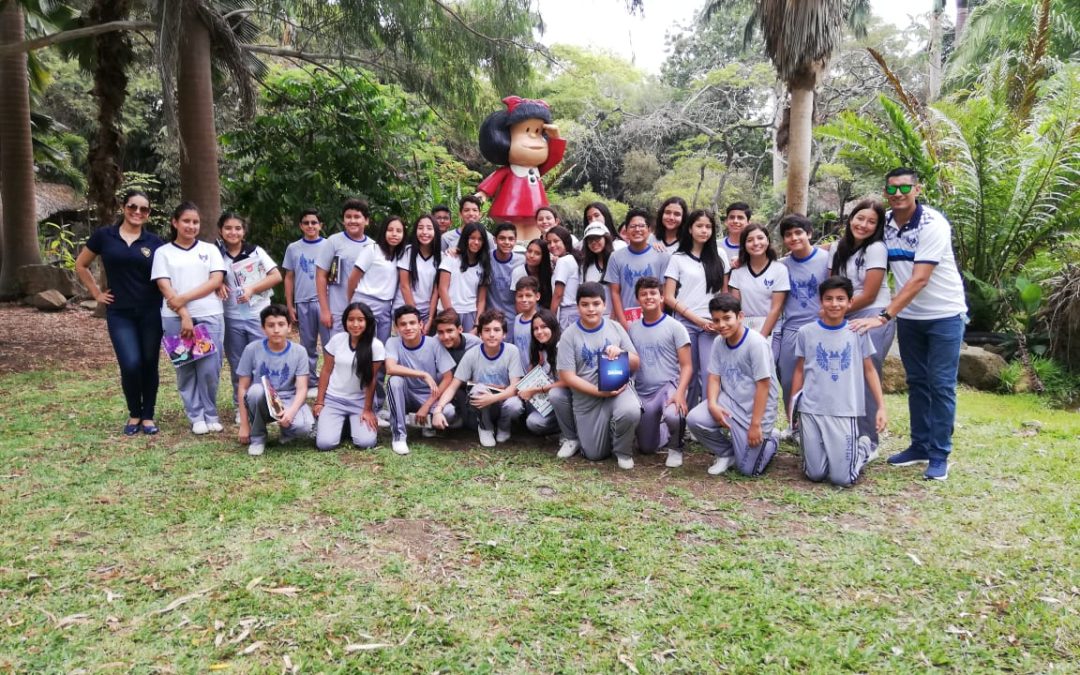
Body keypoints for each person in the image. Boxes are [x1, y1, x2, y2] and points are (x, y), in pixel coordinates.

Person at [850, 167, 967, 481]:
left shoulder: (933, 225)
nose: (898, 194)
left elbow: (919, 279)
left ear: (918, 189)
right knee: (916, 381)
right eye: (891, 190)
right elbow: (856, 245)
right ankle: (919, 446)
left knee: (940, 385)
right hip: (911, 319)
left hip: (944, 315)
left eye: (904, 188)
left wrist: (884, 315)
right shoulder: (885, 223)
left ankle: (939, 454)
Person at [75, 189, 165, 435]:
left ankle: (147, 416)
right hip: (120, 313)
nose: (137, 212)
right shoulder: (105, 236)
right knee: (130, 364)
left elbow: (173, 270)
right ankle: (134, 412)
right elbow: (81, 265)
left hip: (150, 311)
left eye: (143, 209)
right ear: (124, 208)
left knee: (149, 362)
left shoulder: (155, 243)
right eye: (132, 207)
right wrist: (96, 294)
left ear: (148, 214)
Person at [789, 277, 887, 486]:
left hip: (844, 410)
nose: (834, 304)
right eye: (829, 299)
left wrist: (881, 407)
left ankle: (862, 446)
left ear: (850, 302)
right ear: (821, 301)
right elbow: (799, 370)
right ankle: (831, 452)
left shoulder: (857, 331)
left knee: (842, 478)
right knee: (814, 474)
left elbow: (869, 370)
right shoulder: (806, 332)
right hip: (811, 410)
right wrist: (793, 405)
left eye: (841, 299)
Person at [151, 202, 226, 435]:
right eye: (186, 221)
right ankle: (196, 416)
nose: (191, 226)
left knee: (210, 368)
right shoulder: (163, 252)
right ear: (175, 223)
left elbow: (215, 281)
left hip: (209, 314)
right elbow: (164, 285)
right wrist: (184, 314)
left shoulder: (210, 250)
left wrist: (183, 299)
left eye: (195, 222)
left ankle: (210, 413)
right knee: (185, 366)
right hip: (174, 318)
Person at [686, 293, 780, 476]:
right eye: (716, 320)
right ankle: (725, 452)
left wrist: (755, 425)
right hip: (730, 403)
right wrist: (712, 404)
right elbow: (713, 377)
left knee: (748, 470)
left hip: (756, 412)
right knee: (695, 419)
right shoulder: (718, 342)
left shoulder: (756, 343)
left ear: (740, 316)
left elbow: (763, 386)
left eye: (727, 318)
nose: (721, 325)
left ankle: (772, 439)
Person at [553, 282, 642, 469]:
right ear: (578, 307)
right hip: (587, 398)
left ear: (604, 305)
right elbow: (567, 376)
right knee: (594, 455)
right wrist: (598, 391)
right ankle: (606, 431)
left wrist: (621, 353)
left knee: (630, 410)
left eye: (596, 303)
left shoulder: (615, 327)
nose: (591, 309)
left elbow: (636, 362)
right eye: (585, 304)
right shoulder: (569, 335)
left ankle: (623, 451)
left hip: (618, 391)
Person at [829, 200, 894, 453]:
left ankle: (869, 440)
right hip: (846, 315)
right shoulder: (839, 247)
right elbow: (832, 285)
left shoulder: (876, 248)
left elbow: (869, 294)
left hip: (873, 316)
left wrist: (832, 312)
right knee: (845, 375)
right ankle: (848, 433)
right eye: (859, 218)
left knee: (868, 372)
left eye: (871, 221)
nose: (863, 225)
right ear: (850, 218)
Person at [217, 212, 282, 411]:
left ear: (244, 231)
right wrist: (217, 283)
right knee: (238, 365)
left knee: (262, 360)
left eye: (238, 228)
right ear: (220, 230)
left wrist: (253, 289)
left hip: (258, 316)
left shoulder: (255, 252)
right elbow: (209, 277)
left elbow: (276, 276)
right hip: (232, 318)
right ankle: (241, 408)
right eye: (228, 228)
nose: (233, 232)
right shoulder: (216, 254)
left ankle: (267, 404)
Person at [664, 208, 728, 408]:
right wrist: (696, 319)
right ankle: (687, 417)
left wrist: (720, 321)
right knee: (687, 372)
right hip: (685, 323)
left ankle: (709, 415)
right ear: (690, 229)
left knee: (711, 372)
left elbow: (724, 294)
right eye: (699, 226)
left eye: (708, 227)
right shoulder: (678, 258)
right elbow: (668, 297)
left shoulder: (721, 256)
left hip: (712, 324)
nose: (704, 230)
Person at [431, 309, 525, 447]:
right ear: (480, 334)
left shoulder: (512, 351)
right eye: (487, 330)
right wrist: (438, 409)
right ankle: (485, 428)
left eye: (497, 330)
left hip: (502, 400)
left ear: (504, 334)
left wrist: (493, 398)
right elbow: (453, 386)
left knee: (515, 405)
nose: (492, 334)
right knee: (479, 389)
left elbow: (514, 387)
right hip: (481, 405)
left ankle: (504, 427)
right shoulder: (472, 354)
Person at [235, 304, 314, 456]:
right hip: (263, 399)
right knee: (255, 391)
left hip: (288, 399)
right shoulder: (252, 349)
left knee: (305, 427)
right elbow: (243, 388)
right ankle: (258, 437)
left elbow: (302, 388)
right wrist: (244, 425)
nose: (276, 330)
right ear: (263, 328)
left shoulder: (299, 352)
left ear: (290, 327)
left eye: (281, 324)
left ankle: (287, 431)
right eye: (271, 325)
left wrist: (290, 413)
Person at [629, 277, 692, 467]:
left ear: (662, 297)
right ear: (637, 299)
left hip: (668, 387)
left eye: (653, 293)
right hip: (644, 391)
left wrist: (680, 393)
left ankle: (676, 447)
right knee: (647, 448)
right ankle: (661, 427)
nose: (649, 297)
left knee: (674, 414)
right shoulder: (633, 328)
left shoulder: (675, 327)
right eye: (643, 294)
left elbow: (687, 366)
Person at [384, 305, 458, 455]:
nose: (408, 327)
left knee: (449, 412)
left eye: (412, 323)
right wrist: (422, 374)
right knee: (395, 381)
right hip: (406, 394)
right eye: (403, 324)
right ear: (396, 327)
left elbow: (448, 377)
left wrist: (427, 405)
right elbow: (390, 368)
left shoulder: (433, 343)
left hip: (429, 395)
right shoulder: (393, 343)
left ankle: (421, 424)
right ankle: (399, 436)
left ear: (420, 325)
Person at [776, 213, 830, 415]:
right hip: (792, 328)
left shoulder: (826, 259)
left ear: (809, 233)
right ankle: (794, 424)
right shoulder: (781, 265)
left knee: (820, 378)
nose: (794, 238)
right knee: (788, 378)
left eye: (799, 232)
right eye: (788, 234)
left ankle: (818, 422)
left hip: (821, 326)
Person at [313, 302, 383, 451]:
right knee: (325, 444)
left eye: (360, 320)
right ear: (345, 321)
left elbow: (371, 379)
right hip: (334, 399)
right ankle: (341, 423)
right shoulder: (337, 340)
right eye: (351, 319)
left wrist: (368, 409)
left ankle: (348, 424)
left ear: (368, 321)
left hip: (359, 401)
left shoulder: (376, 346)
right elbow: (326, 371)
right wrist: (320, 402)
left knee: (366, 443)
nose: (355, 324)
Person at [604, 208, 671, 330]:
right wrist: (623, 323)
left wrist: (657, 320)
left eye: (641, 226)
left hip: (653, 320)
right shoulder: (616, 257)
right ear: (626, 230)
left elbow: (663, 292)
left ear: (649, 230)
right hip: (626, 320)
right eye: (632, 226)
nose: (637, 229)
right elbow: (615, 292)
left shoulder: (662, 256)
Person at [316, 199, 375, 336]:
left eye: (357, 217)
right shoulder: (333, 242)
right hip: (338, 309)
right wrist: (325, 310)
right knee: (338, 351)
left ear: (366, 220)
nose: (352, 220)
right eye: (348, 217)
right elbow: (321, 276)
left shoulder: (373, 246)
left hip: (364, 311)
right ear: (343, 220)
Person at [282, 209, 329, 380]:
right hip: (303, 302)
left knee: (330, 344)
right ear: (301, 226)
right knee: (307, 345)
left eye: (314, 222)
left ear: (320, 225)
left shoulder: (329, 245)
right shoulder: (293, 248)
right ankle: (309, 378)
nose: (311, 226)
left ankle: (331, 379)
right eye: (306, 223)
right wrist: (290, 305)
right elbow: (288, 277)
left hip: (326, 303)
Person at [727, 223, 788, 355]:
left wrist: (761, 337)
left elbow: (776, 308)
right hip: (744, 328)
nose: (756, 243)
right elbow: (735, 307)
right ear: (744, 245)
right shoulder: (738, 272)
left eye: (760, 238)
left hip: (770, 328)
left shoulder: (779, 269)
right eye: (750, 240)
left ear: (767, 240)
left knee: (768, 369)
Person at [346, 215, 405, 344]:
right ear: (384, 231)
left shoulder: (401, 255)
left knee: (382, 346)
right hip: (364, 301)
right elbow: (352, 280)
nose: (394, 234)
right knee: (361, 344)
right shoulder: (372, 249)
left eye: (399, 231)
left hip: (386, 306)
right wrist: (354, 303)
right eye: (390, 230)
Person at [518, 308, 574, 442]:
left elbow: (568, 381)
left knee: (552, 395)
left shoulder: (562, 346)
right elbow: (533, 378)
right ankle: (559, 428)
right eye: (535, 329)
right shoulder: (540, 349)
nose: (539, 332)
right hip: (549, 402)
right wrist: (536, 367)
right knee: (532, 420)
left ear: (553, 327)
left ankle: (569, 431)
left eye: (544, 327)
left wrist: (536, 390)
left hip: (568, 400)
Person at [437, 221, 492, 333]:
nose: (476, 242)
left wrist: (477, 324)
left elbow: (481, 299)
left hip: (470, 313)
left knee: (468, 348)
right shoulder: (451, 258)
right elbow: (442, 289)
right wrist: (452, 317)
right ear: (465, 238)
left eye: (480, 239)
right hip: (448, 312)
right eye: (472, 238)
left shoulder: (483, 265)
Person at [433, 309, 482, 425]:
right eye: (441, 332)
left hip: (468, 386)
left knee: (471, 425)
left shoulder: (476, 344)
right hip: (444, 385)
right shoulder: (435, 343)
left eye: (450, 331)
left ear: (460, 329)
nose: (445, 336)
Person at [397, 213, 442, 333]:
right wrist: (415, 317)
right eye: (420, 228)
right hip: (405, 309)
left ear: (436, 231)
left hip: (427, 312)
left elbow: (436, 291)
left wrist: (430, 319)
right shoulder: (407, 252)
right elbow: (404, 286)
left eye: (429, 228)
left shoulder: (441, 258)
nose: (424, 232)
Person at [546, 225, 582, 328]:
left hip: (568, 313)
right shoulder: (572, 258)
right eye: (549, 242)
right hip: (576, 311)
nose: (552, 245)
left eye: (556, 241)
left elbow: (558, 294)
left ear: (565, 241)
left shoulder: (564, 261)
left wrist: (550, 319)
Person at [487, 222, 525, 317]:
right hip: (490, 315)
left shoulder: (522, 261)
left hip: (512, 315)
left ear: (515, 241)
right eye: (502, 238)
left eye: (511, 239)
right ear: (495, 240)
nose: (507, 242)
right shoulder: (486, 257)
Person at [510, 238, 553, 309]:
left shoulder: (549, 273)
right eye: (529, 251)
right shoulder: (518, 272)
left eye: (537, 253)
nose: (531, 255)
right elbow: (517, 302)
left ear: (544, 256)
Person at [580, 221, 614, 309]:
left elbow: (619, 294)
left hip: (613, 318)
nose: (594, 242)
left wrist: (612, 320)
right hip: (592, 316)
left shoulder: (615, 261)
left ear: (606, 238)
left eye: (598, 238)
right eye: (590, 240)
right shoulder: (584, 265)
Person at [510, 276, 541, 371]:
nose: (524, 299)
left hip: (536, 374)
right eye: (520, 296)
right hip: (519, 373)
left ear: (537, 296)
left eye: (528, 295)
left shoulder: (540, 321)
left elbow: (542, 354)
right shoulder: (516, 319)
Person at [721, 202, 751, 268]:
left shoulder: (754, 247)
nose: (735, 221)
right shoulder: (715, 246)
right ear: (726, 221)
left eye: (740, 218)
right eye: (732, 217)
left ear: (748, 223)